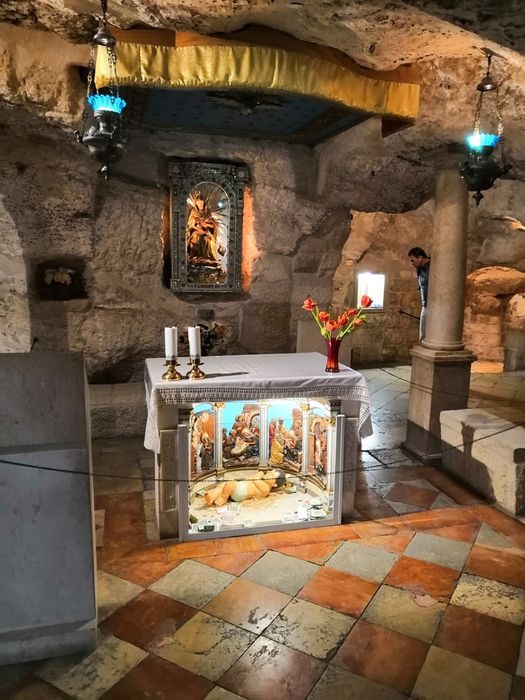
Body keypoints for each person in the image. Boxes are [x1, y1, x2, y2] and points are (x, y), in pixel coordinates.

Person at [203, 469, 286, 507]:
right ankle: (211, 497)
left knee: (230, 483)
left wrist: (260, 473)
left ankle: (222, 499)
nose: (268, 474)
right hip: (240, 486)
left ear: (274, 484)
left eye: (271, 475)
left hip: (241, 493)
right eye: (270, 472)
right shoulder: (262, 481)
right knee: (223, 485)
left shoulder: (266, 489)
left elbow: (255, 477)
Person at [408, 247, 431, 341]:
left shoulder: (434, 267)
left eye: (412, 260)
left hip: (436, 305)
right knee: (422, 335)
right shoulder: (419, 269)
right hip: (425, 305)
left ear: (420, 258)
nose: (411, 263)